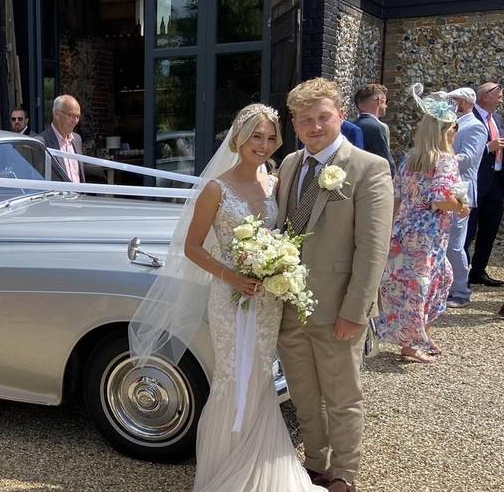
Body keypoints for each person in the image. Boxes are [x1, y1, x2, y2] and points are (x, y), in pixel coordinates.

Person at [129, 103, 325, 492]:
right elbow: (192, 247)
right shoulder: (216, 188)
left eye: (271, 138)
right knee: (234, 375)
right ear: (238, 137)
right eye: (257, 136)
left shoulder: (274, 182)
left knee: (261, 376)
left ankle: (261, 465)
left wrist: (278, 268)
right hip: (229, 296)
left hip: (268, 298)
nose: (265, 145)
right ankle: (226, 469)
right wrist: (232, 276)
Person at [276, 78, 393, 492]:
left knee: (343, 398)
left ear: (340, 115)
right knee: (304, 396)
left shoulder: (368, 167)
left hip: (338, 308)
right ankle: (316, 460)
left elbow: (372, 248)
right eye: (306, 120)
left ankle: (345, 472)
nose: (316, 126)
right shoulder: (289, 165)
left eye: (323, 117)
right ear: (294, 124)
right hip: (288, 306)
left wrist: (355, 312)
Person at [377, 84, 467, 363]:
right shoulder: (445, 161)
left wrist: (389, 230)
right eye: (454, 129)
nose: (456, 133)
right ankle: (412, 345)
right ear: (444, 131)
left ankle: (418, 337)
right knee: (427, 286)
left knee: (415, 285)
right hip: (428, 237)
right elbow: (441, 200)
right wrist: (462, 207)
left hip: (404, 231)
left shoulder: (410, 159)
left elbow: (396, 196)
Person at [445, 88, 486, 308]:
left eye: (455, 101)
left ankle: (461, 291)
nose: (451, 105)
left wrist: (438, 156)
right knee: (444, 244)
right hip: (445, 190)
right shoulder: (451, 123)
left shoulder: (475, 126)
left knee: (454, 245)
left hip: (461, 191)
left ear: (466, 103)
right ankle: (447, 287)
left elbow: (468, 159)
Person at [465, 82, 504, 287]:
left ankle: (479, 270)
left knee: (489, 230)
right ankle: (460, 274)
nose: (501, 98)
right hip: (477, 181)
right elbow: (461, 149)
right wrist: (488, 148)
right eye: (497, 95)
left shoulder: (496, 118)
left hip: (497, 182)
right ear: (483, 96)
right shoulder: (469, 116)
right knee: (468, 229)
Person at [39, 94, 84, 183]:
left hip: (79, 196)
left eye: (77, 117)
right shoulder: (42, 142)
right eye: (71, 116)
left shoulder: (77, 139)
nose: (75, 121)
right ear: (57, 114)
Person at [354, 83, 397, 175]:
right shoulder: (378, 127)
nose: (386, 106)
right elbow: (386, 162)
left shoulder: (349, 125)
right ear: (380, 101)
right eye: (386, 102)